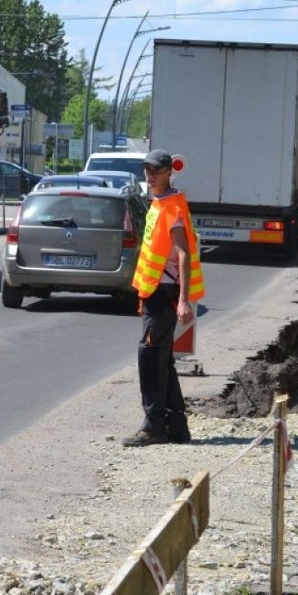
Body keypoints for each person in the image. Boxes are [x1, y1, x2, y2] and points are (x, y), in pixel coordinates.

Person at [122, 148, 205, 447]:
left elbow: (183, 254)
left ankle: (153, 426)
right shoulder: (159, 203)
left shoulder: (172, 207)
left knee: (150, 358)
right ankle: (177, 427)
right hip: (156, 291)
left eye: (155, 170)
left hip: (165, 292)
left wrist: (183, 300)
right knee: (162, 360)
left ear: (169, 172)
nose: (150, 175)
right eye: (147, 170)